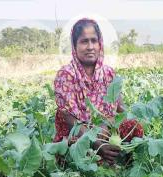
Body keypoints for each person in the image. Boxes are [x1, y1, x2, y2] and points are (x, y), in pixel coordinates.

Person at [53, 18, 124, 164]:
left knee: (133, 127)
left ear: (100, 44)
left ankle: (111, 157)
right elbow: (70, 120)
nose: (90, 46)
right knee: (76, 150)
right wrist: (96, 143)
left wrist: (105, 132)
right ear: (74, 45)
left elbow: (120, 109)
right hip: (78, 135)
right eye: (84, 41)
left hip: (105, 131)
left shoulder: (109, 73)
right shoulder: (66, 75)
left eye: (94, 40)